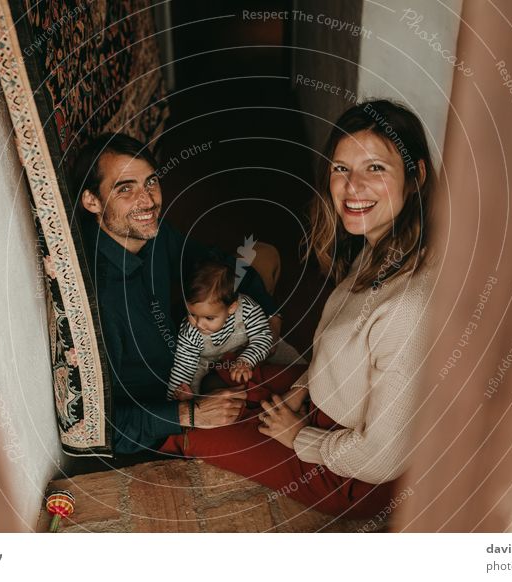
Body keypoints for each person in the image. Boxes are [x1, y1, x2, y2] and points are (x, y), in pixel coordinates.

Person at [160, 99, 436, 519]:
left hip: (350, 473)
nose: (352, 186)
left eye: (375, 168)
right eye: (341, 168)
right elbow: (341, 352)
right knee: (222, 375)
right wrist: (299, 390)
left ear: (415, 176)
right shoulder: (383, 249)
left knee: (182, 430)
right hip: (323, 406)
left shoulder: (408, 305)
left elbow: (382, 459)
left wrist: (299, 437)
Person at [72, 133, 284, 455]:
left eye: (151, 182)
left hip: (195, 349)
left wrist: (270, 314)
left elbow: (214, 260)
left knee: (264, 255)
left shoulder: (148, 231)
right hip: (166, 415)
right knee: (280, 433)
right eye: (125, 188)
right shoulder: (96, 299)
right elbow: (99, 428)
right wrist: (191, 414)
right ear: (92, 201)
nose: (148, 200)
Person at [168, 257, 273, 400]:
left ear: (232, 308)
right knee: (189, 381)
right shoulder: (190, 331)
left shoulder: (248, 309)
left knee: (257, 369)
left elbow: (263, 336)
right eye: (192, 314)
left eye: (209, 318)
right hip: (203, 359)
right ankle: (189, 401)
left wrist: (246, 360)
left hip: (238, 353)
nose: (198, 324)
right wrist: (176, 394)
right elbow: (183, 366)